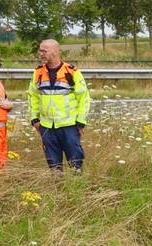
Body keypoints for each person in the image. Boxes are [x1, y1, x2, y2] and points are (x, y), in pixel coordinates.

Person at [28, 39, 91, 171]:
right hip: (46, 127)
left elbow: (83, 98)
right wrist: (34, 118)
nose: (41, 54)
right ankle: (58, 187)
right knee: (53, 163)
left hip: (69, 126)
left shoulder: (72, 72)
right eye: (40, 50)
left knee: (75, 161)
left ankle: (76, 184)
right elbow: (33, 96)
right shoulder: (38, 73)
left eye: (44, 51)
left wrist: (81, 121)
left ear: (56, 51)